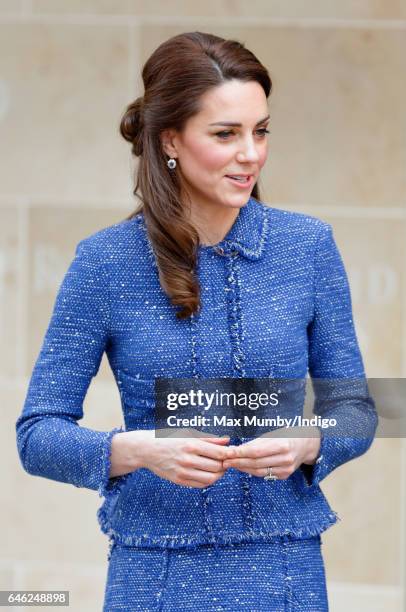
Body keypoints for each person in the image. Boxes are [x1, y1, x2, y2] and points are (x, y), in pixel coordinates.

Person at [16, 31, 378, 611]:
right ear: (170, 141)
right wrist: (141, 450)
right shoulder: (106, 263)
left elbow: (356, 410)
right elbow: (37, 436)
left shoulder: (308, 247)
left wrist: (310, 441)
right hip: (154, 574)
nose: (250, 154)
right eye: (225, 134)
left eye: (260, 131)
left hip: (285, 568)